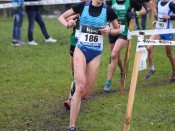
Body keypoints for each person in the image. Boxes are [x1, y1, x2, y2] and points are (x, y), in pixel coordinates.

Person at [58, 0, 120, 130]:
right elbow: (61, 17)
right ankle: (72, 127)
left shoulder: (108, 10)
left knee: (85, 94)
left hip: (96, 52)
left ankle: (77, 83)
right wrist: (68, 23)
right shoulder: (82, 6)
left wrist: (109, 31)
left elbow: (118, 29)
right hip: (81, 48)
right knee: (80, 88)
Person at [104, 0, 147, 92]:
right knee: (116, 55)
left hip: (123, 32)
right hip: (112, 31)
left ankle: (108, 82)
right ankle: (123, 70)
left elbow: (143, 10)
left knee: (113, 54)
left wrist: (135, 13)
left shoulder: (130, 1)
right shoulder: (110, 2)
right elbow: (103, 12)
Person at [144, 0, 175, 81]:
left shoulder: (171, 4)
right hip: (158, 30)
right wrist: (155, 21)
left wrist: (169, 17)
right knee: (149, 47)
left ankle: (174, 71)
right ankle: (152, 68)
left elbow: (170, 17)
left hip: (168, 32)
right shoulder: (159, 3)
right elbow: (158, 16)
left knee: (169, 53)